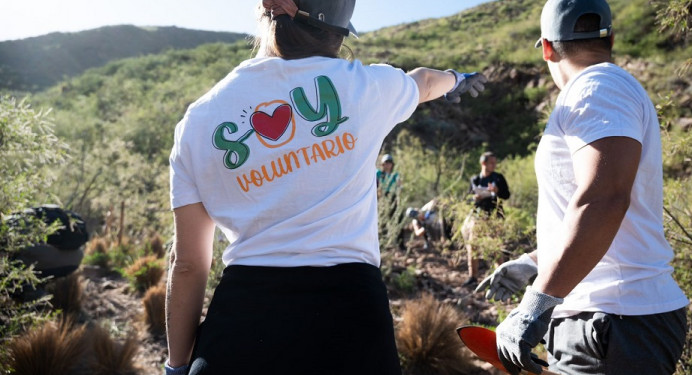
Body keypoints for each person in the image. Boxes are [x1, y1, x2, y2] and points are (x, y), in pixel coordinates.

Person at [165, 0, 487, 374]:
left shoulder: (197, 120)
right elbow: (427, 81)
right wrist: (458, 78)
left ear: (263, 14)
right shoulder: (367, 85)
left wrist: (176, 364)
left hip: (244, 319)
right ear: (337, 33)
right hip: (351, 319)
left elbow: (187, 264)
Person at [476, 1, 689, 374]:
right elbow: (605, 211)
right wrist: (536, 263)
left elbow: (603, 201)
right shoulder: (606, 88)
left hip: (609, 322)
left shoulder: (595, 88)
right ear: (610, 39)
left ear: (546, 47)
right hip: (614, 322)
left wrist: (536, 304)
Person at [460, 151, 510, 287]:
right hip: (478, 216)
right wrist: (474, 198)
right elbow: (467, 197)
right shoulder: (475, 179)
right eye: (491, 163)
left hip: (494, 216)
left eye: (495, 163)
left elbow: (506, 195)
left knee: (495, 247)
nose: (494, 165)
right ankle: (473, 277)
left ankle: (501, 278)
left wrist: (497, 190)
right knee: (473, 246)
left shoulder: (498, 178)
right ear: (484, 163)